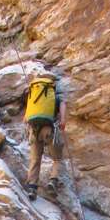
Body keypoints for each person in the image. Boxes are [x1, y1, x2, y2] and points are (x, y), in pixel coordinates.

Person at [21, 69, 66, 200]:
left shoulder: (33, 97)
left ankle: (32, 188)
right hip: (48, 129)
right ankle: (53, 181)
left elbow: (25, 119)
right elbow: (63, 108)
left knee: (35, 159)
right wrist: (62, 121)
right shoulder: (55, 98)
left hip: (33, 129)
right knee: (57, 158)